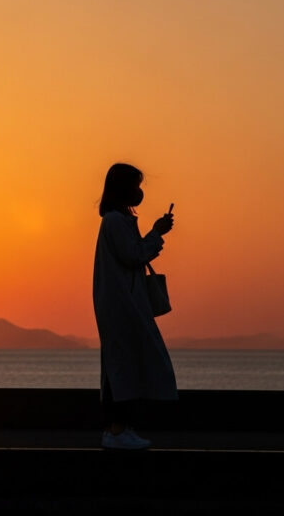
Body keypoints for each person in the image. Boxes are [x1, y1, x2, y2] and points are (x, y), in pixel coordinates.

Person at [92, 163, 177, 449]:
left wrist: (153, 234)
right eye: (136, 186)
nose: (140, 192)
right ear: (124, 188)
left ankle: (121, 429)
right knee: (123, 368)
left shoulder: (116, 222)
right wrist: (157, 233)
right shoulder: (115, 222)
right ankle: (117, 431)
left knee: (124, 367)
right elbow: (134, 255)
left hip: (123, 307)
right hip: (122, 308)